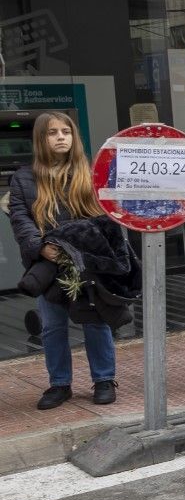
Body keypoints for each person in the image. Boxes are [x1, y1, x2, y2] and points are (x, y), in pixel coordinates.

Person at [8, 112, 125, 409]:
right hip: (47, 264)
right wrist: (40, 248)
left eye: (66, 131)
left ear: (74, 137)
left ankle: (104, 379)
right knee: (52, 326)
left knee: (95, 321)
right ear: (40, 139)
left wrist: (85, 248)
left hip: (88, 262)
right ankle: (59, 385)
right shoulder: (24, 178)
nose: (61, 137)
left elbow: (105, 216)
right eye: (52, 133)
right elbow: (21, 220)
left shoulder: (90, 171)